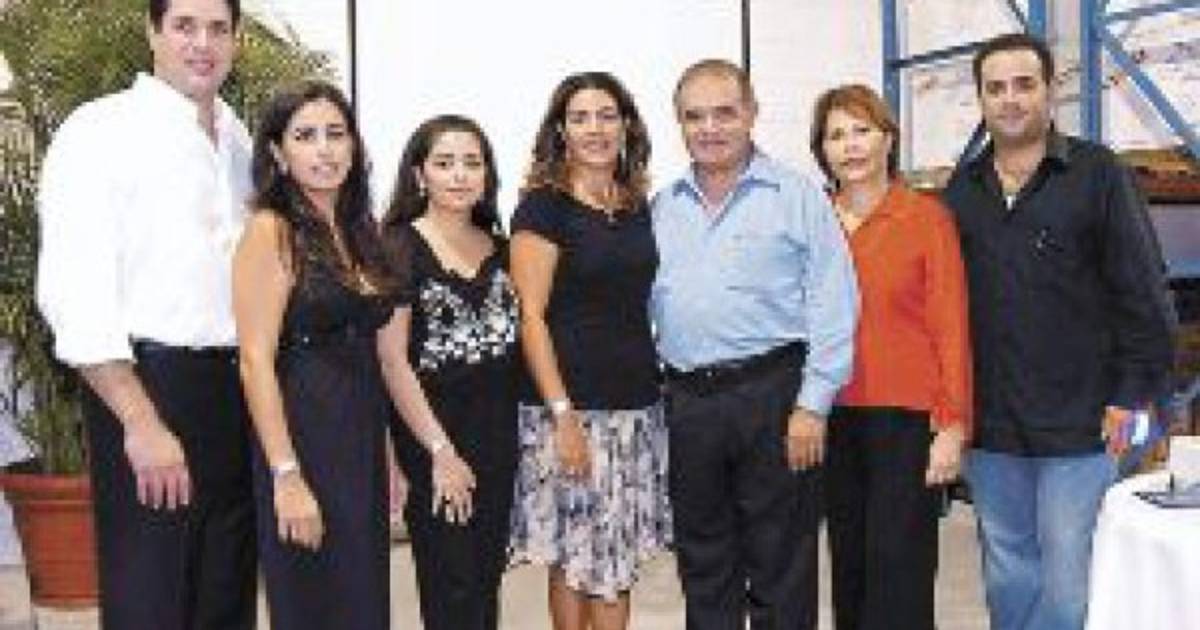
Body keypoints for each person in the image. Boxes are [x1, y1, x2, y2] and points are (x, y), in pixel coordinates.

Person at [943, 33, 1176, 630]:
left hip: (1084, 423)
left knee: (1068, 583)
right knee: (1007, 572)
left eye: (1024, 84)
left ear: (1051, 91)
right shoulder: (962, 193)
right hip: (993, 426)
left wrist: (1132, 399)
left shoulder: (1098, 174)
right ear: (980, 99)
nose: (1010, 99)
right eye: (995, 88)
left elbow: (1144, 293)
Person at [35, 0, 256, 626]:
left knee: (225, 594)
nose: (202, 43)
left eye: (217, 29)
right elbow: (75, 288)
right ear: (152, 33)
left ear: (236, 39)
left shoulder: (239, 140)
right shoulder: (101, 131)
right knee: (152, 598)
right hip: (150, 388)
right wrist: (140, 420)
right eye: (184, 26)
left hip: (235, 394)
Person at [650, 59, 859, 630]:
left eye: (724, 113)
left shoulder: (796, 196)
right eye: (695, 116)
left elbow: (834, 304)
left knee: (781, 564)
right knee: (703, 562)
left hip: (774, 398)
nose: (710, 128)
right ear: (679, 123)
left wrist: (813, 406)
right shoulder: (663, 208)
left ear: (751, 114)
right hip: (689, 404)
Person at [508, 71, 671, 630]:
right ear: (561, 130)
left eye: (606, 115)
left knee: (612, 560)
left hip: (637, 409)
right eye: (580, 118)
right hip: (571, 412)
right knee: (578, 560)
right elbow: (530, 316)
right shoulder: (543, 208)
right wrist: (563, 416)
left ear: (626, 125)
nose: (595, 128)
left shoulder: (637, 204)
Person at [233, 81, 397, 629]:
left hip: (359, 439)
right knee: (315, 601)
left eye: (336, 133)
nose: (325, 150)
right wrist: (286, 475)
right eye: (305, 136)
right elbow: (255, 360)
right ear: (278, 153)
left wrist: (387, 453)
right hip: (304, 438)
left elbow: (374, 353)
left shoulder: (358, 230)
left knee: (362, 601)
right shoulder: (271, 231)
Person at [810, 83, 971, 630]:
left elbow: (950, 324)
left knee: (899, 571)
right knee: (849, 567)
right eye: (836, 135)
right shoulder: (813, 220)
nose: (851, 145)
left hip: (905, 420)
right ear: (822, 149)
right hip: (831, 415)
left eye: (862, 130)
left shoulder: (926, 218)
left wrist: (951, 426)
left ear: (888, 139)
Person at [377, 114, 520, 630]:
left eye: (472, 163)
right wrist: (440, 453)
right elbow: (392, 360)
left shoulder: (502, 248)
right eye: (444, 163)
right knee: (451, 589)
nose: (459, 174)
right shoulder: (398, 246)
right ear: (420, 175)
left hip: (499, 442)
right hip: (436, 444)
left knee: (485, 584)